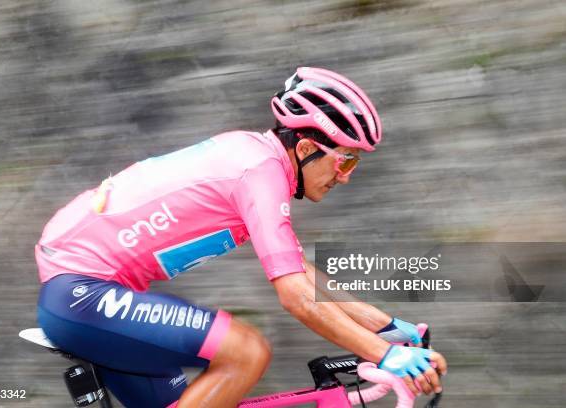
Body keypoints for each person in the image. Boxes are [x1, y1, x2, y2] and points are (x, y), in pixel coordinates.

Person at [35, 66, 447, 408]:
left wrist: (386, 327)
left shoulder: (258, 161)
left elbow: (301, 275)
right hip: (81, 293)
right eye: (345, 160)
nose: (347, 176)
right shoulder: (259, 172)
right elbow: (295, 297)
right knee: (246, 350)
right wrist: (385, 355)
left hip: (89, 296)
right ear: (305, 149)